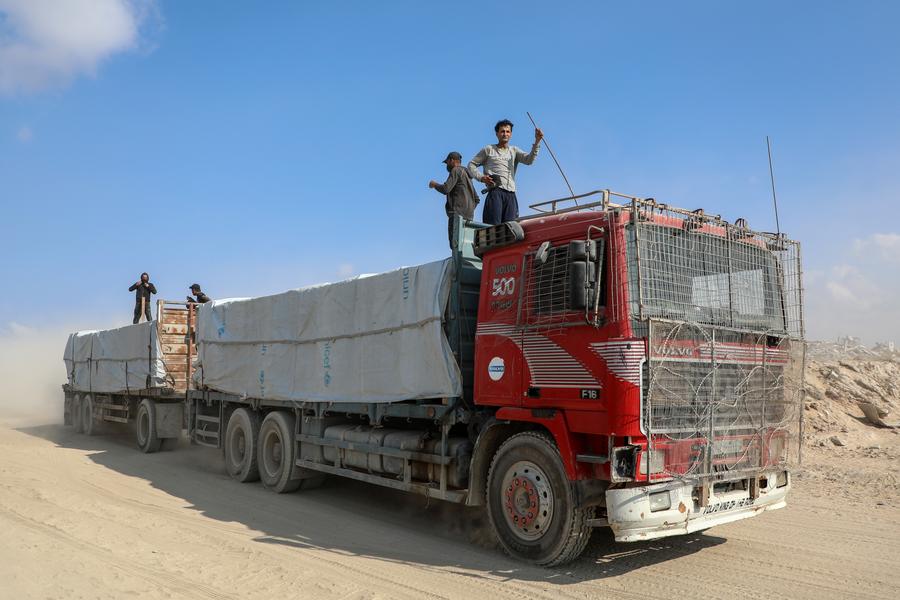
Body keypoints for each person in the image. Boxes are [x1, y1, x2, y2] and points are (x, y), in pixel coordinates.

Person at [468, 119, 543, 225]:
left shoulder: (514, 150)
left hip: (511, 194)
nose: (505, 134)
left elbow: (529, 160)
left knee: (511, 229)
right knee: (494, 228)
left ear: (511, 134)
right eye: (502, 131)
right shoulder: (489, 149)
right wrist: (481, 177)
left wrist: (537, 141)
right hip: (495, 192)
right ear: (497, 134)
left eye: (508, 131)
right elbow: (471, 165)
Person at [428, 151, 479, 247]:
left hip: (456, 215)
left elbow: (446, 189)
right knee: (465, 246)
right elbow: (476, 199)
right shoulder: (467, 175)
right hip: (469, 218)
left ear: (451, 160)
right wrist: (468, 210)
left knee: (455, 245)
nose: (446, 165)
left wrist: (434, 184)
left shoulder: (455, 170)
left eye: (447, 162)